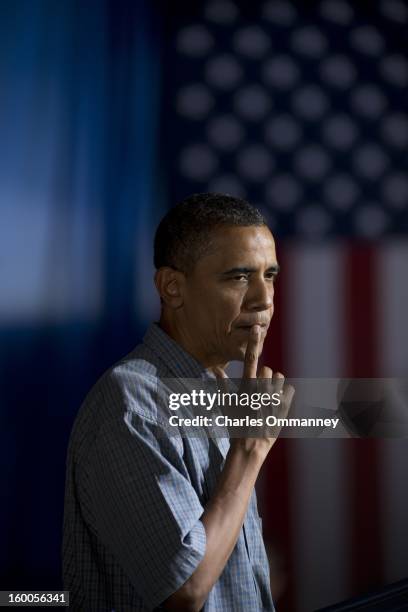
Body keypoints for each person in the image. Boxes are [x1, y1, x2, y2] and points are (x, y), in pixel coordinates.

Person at [62, 193, 293, 611]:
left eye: (270, 276)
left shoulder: (220, 394)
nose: (263, 298)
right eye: (239, 277)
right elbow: (183, 591)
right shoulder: (130, 402)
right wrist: (249, 451)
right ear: (172, 287)